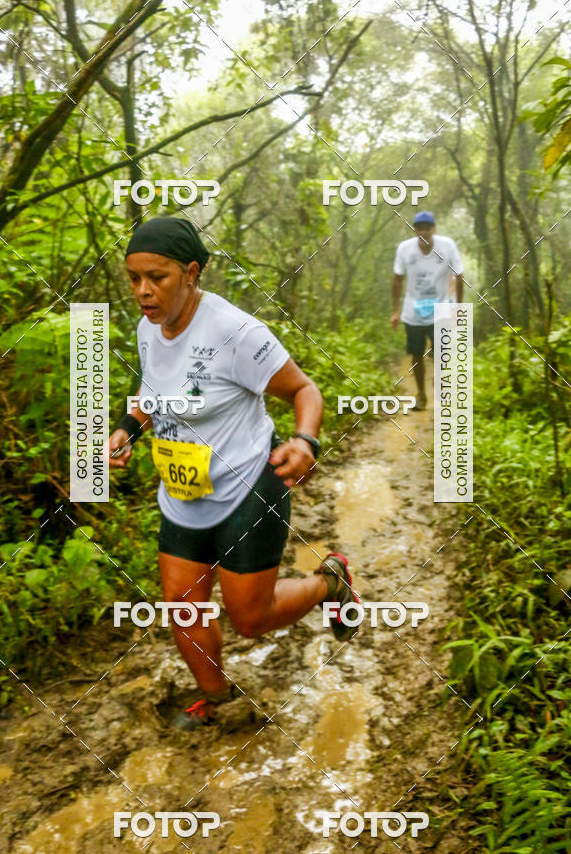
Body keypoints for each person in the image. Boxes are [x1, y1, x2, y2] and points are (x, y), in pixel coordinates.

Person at [108, 217, 358, 731]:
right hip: (184, 491)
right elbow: (155, 393)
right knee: (183, 606)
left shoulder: (235, 332)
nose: (143, 291)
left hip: (249, 485)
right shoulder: (146, 328)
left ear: (192, 273)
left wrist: (305, 440)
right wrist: (129, 428)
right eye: (134, 278)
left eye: (157, 277)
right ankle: (216, 697)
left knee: (250, 619)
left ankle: (330, 582)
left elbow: (304, 390)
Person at [391, 211, 464, 409]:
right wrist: (395, 311)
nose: (423, 231)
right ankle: (421, 394)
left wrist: (458, 307)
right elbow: (397, 279)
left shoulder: (447, 246)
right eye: (419, 227)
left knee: (442, 352)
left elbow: (459, 275)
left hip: (440, 308)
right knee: (416, 354)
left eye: (427, 227)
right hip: (413, 311)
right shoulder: (405, 249)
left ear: (433, 229)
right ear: (415, 230)